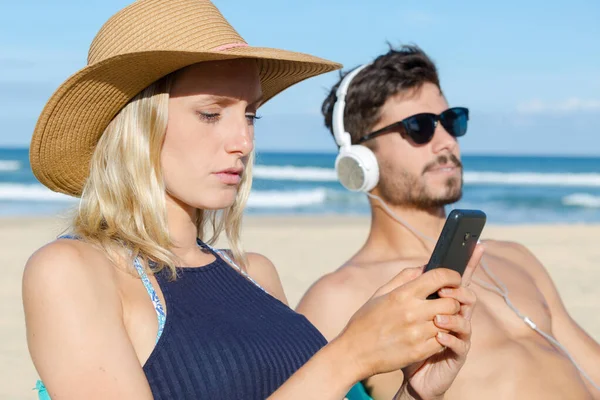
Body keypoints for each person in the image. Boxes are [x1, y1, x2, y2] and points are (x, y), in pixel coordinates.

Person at [22, 2, 483, 399]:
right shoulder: (73, 270)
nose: (242, 140)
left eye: (250, 114)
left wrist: (418, 390)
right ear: (135, 129)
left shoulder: (254, 273)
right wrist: (350, 355)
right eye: (210, 114)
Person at [296, 44, 600, 399]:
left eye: (451, 121)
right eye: (420, 127)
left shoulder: (516, 258)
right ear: (360, 159)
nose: (445, 142)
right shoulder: (338, 296)